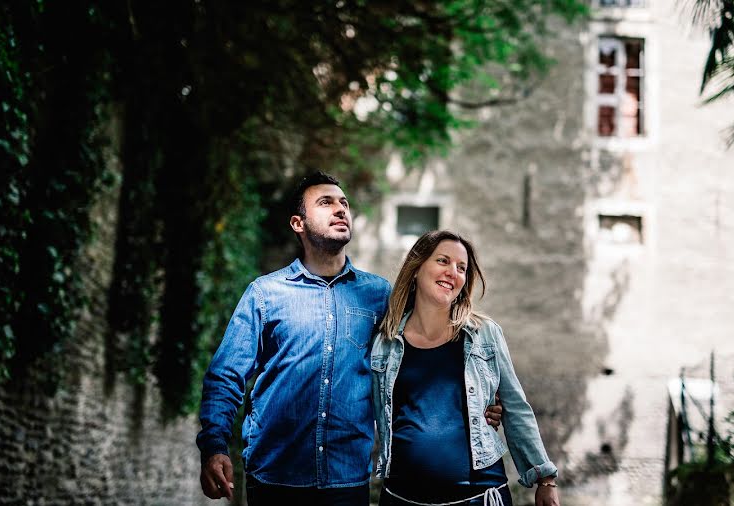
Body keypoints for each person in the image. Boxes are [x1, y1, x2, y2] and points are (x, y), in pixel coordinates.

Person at [196, 172, 501, 505]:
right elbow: (226, 377)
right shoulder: (265, 294)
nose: (340, 209)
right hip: (273, 478)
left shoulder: (380, 296)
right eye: (325, 203)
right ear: (298, 223)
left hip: (347, 482)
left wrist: (479, 400)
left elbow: (422, 359)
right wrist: (214, 447)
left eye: (344, 203)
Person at [371, 230, 560, 506]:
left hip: (478, 497)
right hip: (402, 498)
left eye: (461, 268)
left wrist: (545, 478)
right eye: (443, 261)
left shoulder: (484, 334)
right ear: (415, 268)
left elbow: (516, 409)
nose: (453, 272)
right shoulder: (384, 342)